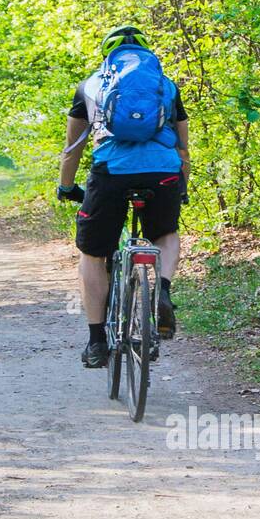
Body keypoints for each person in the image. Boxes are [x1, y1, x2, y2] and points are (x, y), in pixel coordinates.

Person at [57, 25, 189, 368]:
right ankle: (162, 289)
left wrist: (67, 186)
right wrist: (181, 186)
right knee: (165, 234)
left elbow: (73, 149)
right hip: (163, 172)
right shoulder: (166, 86)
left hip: (111, 173)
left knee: (92, 252)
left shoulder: (90, 86)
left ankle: (97, 341)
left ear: (107, 54)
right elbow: (183, 148)